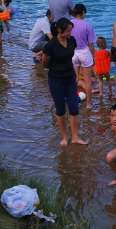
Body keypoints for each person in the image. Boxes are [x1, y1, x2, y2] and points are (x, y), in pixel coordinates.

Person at [41, 18, 87, 147]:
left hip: (70, 78)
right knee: (60, 108)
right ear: (59, 30)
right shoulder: (51, 45)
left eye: (71, 30)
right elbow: (45, 64)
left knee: (74, 107)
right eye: (68, 30)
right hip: (56, 79)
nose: (70, 33)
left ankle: (75, 137)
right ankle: (64, 137)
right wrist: (58, 68)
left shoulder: (71, 40)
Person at [71, 3, 99, 109]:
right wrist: (94, 56)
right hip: (84, 52)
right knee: (87, 80)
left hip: (73, 53)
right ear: (83, 12)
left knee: (75, 78)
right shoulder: (87, 25)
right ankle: (88, 104)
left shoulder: (69, 23)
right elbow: (91, 44)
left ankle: (74, 100)